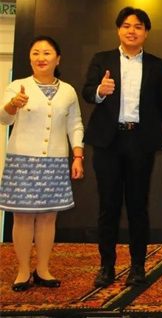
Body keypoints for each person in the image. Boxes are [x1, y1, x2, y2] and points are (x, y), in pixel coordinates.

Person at [82, 7, 162, 288]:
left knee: (137, 206)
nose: (132, 30)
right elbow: (87, 91)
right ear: (119, 29)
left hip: (139, 142)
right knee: (108, 206)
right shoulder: (102, 59)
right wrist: (100, 91)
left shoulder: (157, 65)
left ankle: (137, 266)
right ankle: (106, 266)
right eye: (127, 25)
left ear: (146, 32)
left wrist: (146, 126)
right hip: (108, 142)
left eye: (138, 26)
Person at [0, 36, 84, 291]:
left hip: (55, 162)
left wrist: (77, 155)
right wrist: (12, 105)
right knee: (23, 218)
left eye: (46, 53)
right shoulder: (18, 86)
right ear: (30, 59)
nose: (41, 58)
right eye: (35, 53)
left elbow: (75, 124)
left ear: (58, 59)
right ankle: (23, 271)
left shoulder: (68, 91)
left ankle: (43, 269)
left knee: (48, 218)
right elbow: (4, 118)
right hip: (23, 161)